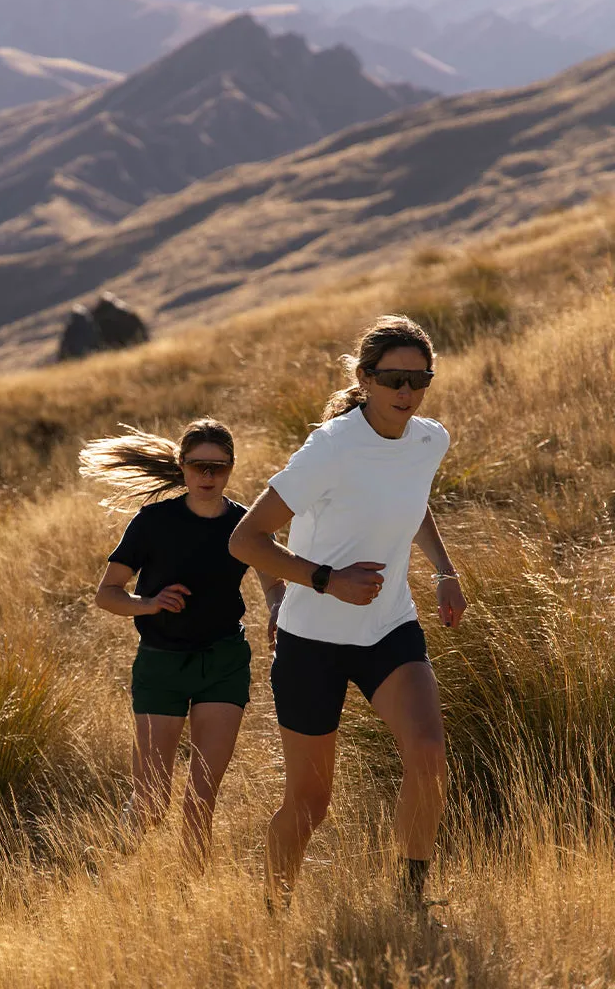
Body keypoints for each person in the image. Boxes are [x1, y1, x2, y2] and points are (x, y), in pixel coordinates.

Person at [229, 315, 467, 913]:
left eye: (419, 378)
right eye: (392, 378)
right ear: (365, 378)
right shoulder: (329, 449)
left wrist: (444, 569)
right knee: (310, 803)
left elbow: (412, 503)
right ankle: (274, 910)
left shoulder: (428, 440)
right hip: (313, 640)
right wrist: (326, 581)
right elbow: (246, 540)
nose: (406, 392)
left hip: (390, 627)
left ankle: (410, 902)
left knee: (428, 755)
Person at [81, 419, 285, 870]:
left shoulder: (244, 524)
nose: (208, 477)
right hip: (161, 665)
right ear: (182, 466)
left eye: (219, 467)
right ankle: (110, 871)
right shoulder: (154, 522)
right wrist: (149, 603)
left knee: (200, 801)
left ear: (231, 468)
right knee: (152, 801)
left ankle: (190, 899)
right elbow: (106, 594)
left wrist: (276, 608)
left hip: (224, 662)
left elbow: (274, 583)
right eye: (198, 466)